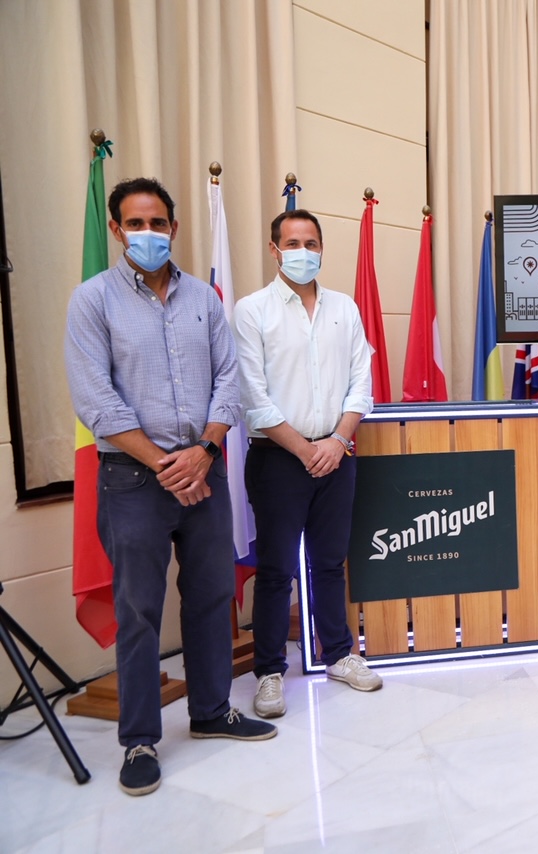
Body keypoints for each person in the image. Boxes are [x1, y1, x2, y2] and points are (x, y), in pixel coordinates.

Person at [65, 177, 277, 797]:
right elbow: (96, 401)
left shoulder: (206, 301)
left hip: (204, 469)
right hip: (133, 478)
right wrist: (166, 464)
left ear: (175, 229)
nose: (148, 234)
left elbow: (229, 383)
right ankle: (139, 740)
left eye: (158, 223)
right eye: (136, 224)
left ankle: (211, 712)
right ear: (116, 230)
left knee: (213, 595)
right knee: (138, 610)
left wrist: (204, 452)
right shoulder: (92, 301)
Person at [233, 209, 380, 720]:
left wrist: (338, 440)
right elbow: (252, 395)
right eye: (291, 242)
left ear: (322, 248)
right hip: (279, 459)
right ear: (274, 250)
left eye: (310, 242)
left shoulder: (345, 308)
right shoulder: (253, 311)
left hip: (337, 453)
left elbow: (362, 379)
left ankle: (338, 653)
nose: (302, 251)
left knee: (330, 562)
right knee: (275, 570)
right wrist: (304, 449)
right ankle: (270, 671)